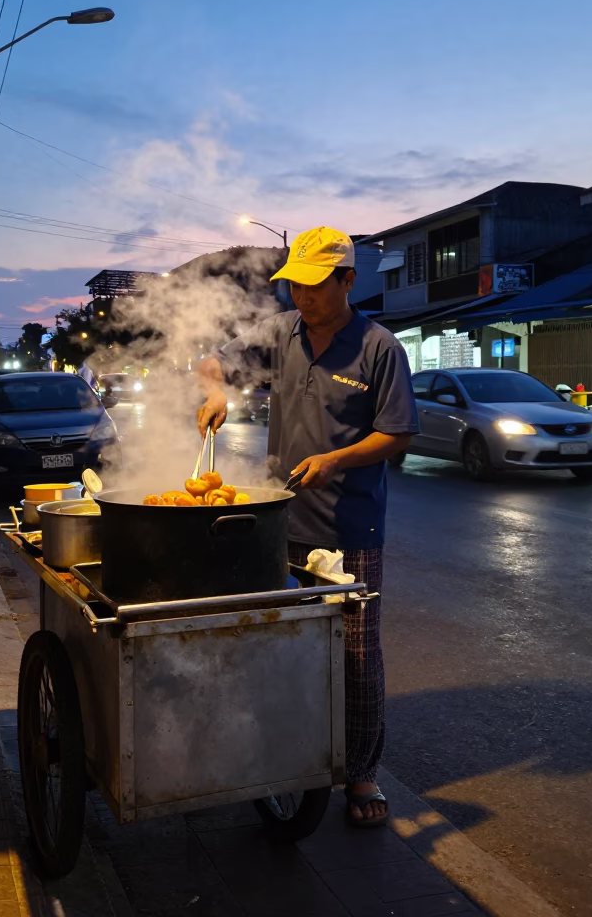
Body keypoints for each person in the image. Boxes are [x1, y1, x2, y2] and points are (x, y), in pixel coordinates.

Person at [197, 227, 417, 828]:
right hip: (279, 522)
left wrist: (336, 460)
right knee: (277, 646)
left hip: (350, 529)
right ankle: (277, 753)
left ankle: (361, 772)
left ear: (349, 281)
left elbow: (397, 432)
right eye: (295, 282)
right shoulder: (280, 332)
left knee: (356, 655)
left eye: (316, 284)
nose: (303, 294)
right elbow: (214, 361)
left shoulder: (379, 348)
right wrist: (217, 392)